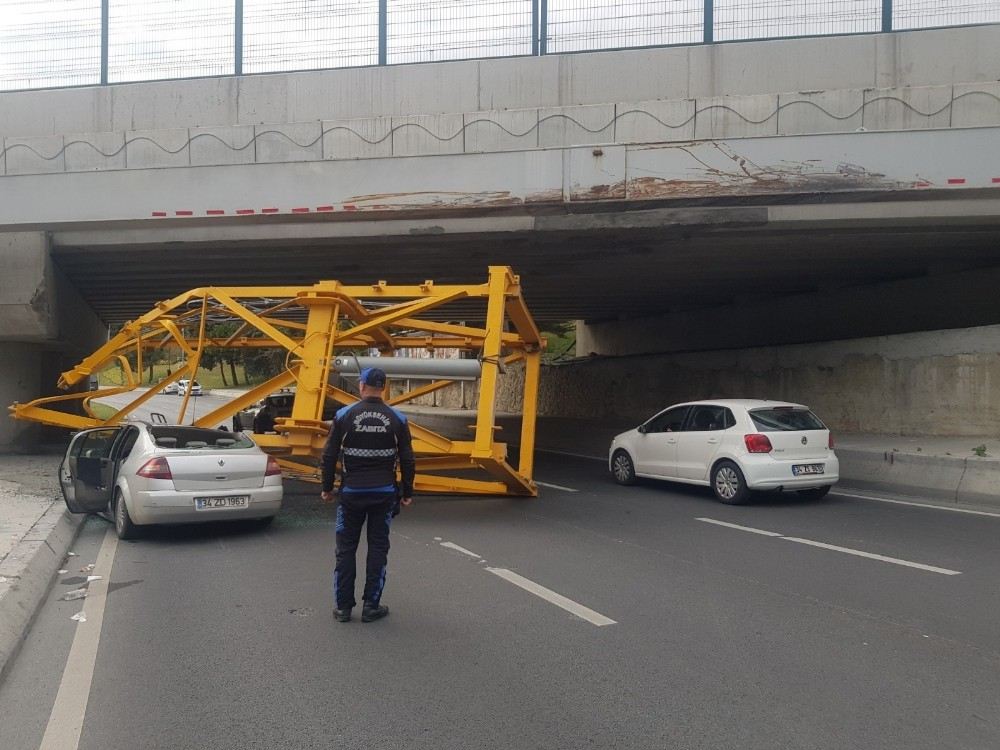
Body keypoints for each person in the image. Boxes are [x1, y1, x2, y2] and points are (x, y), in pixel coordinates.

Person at [320, 367, 415, 623]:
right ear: (383, 387)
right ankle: (371, 606)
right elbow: (407, 457)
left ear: (361, 386)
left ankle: (343, 608)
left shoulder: (344, 415)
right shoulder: (398, 418)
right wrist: (407, 491)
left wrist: (327, 487)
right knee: (378, 549)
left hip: (351, 494)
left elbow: (329, 455)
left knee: (346, 550)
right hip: (384, 495)